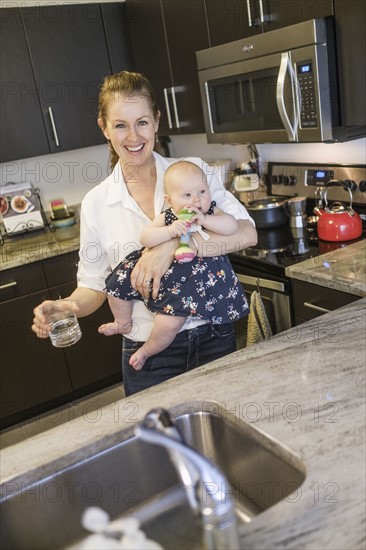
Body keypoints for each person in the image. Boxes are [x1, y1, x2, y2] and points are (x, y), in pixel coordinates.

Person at [32, 71, 257, 396]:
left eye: (142, 122)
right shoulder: (97, 202)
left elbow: (247, 234)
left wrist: (171, 247)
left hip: (213, 334)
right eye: (120, 124)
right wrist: (68, 306)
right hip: (148, 350)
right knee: (157, 444)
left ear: (156, 122)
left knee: (224, 436)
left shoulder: (191, 172)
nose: (133, 136)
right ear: (104, 127)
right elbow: (94, 284)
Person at [98, 160, 250, 370]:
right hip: (164, 277)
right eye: (187, 195)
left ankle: (147, 350)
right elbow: (146, 238)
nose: (196, 200)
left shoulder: (212, 213)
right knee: (114, 287)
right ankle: (122, 321)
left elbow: (231, 227)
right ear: (169, 200)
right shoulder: (168, 216)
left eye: (202, 191)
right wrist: (170, 232)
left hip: (187, 286)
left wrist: (204, 220)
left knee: (169, 323)